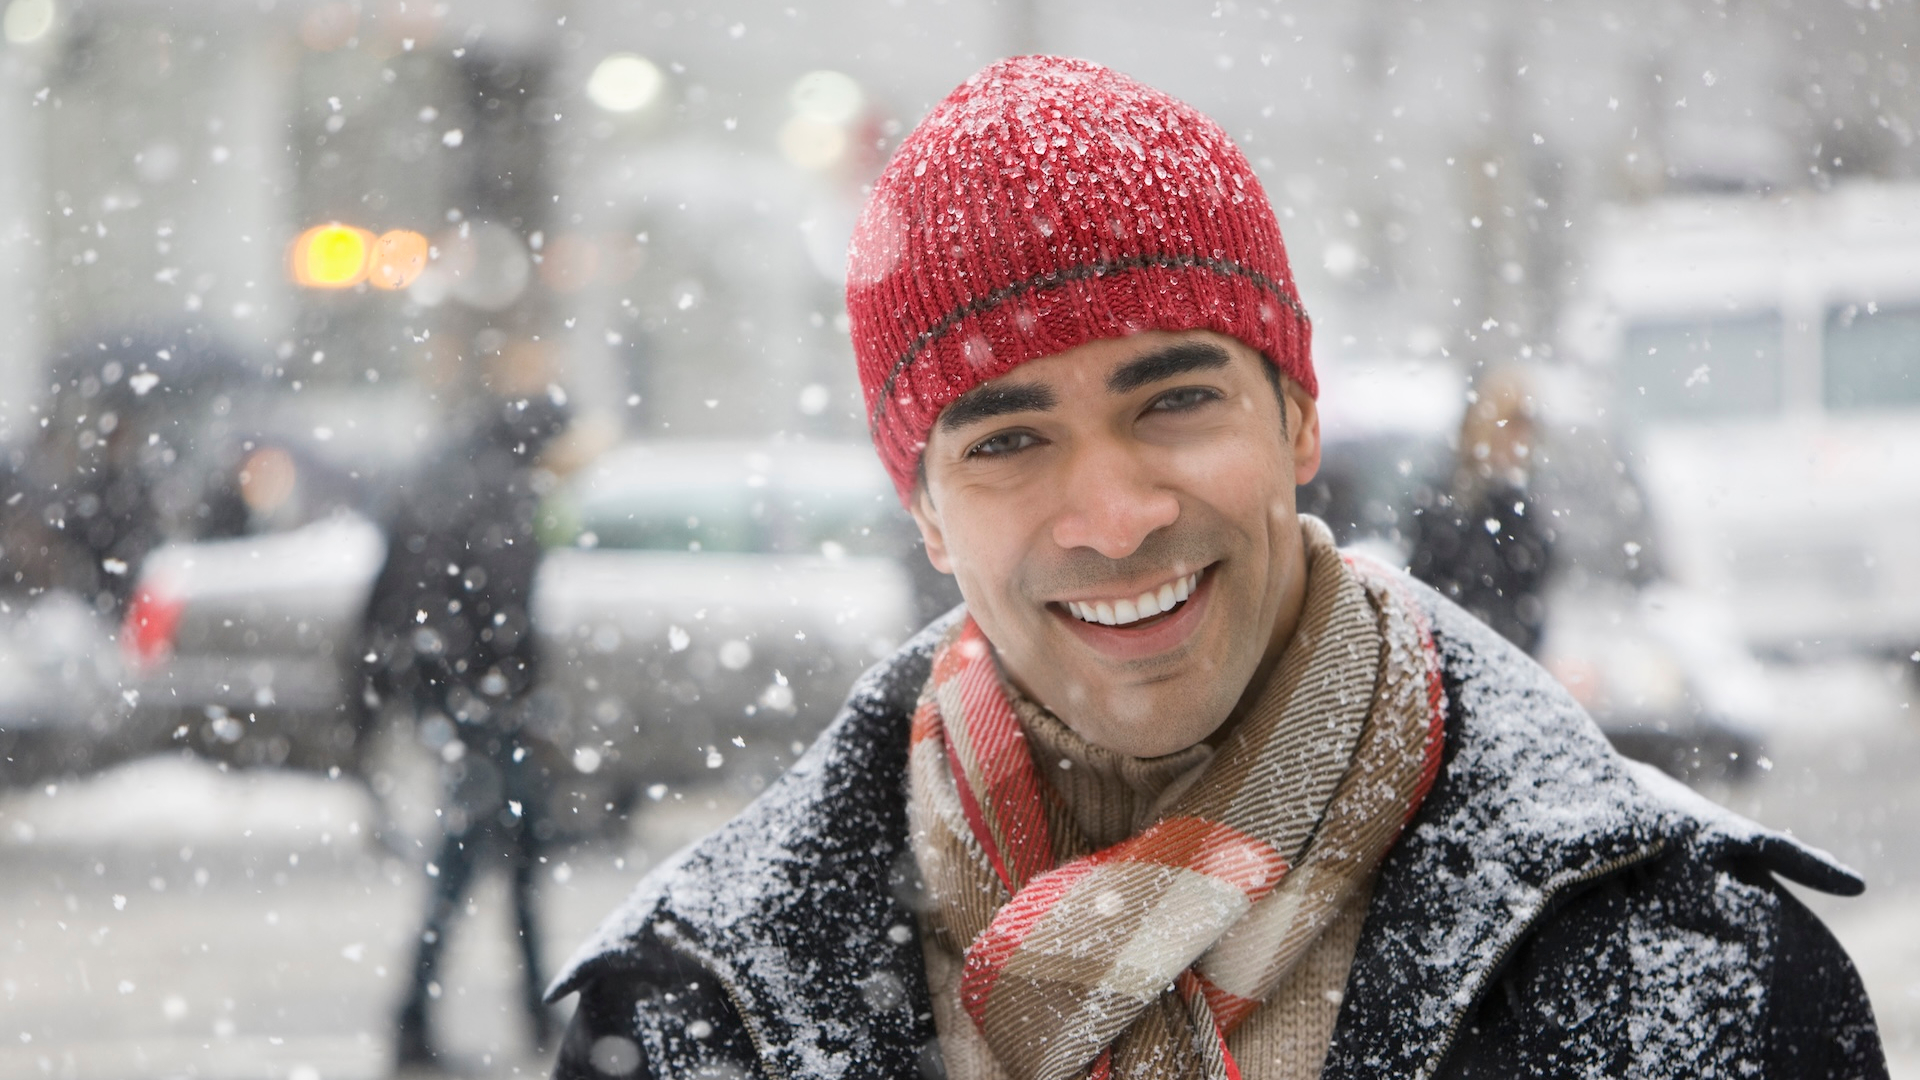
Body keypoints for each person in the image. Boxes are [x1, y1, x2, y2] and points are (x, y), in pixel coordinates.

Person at [547, 57, 1886, 1080]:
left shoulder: (1687, 968)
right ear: (929, 514)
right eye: (1010, 438)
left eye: (1173, 400)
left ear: (1299, 418)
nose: (1116, 515)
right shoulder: (692, 1015)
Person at [363, 375, 572, 1070]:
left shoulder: (438, 477)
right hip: (487, 705)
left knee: (505, 852)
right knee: (485, 860)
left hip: (446, 698)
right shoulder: (506, 492)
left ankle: (522, 1010)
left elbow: (388, 591)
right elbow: (509, 609)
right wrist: (519, 693)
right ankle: (422, 1016)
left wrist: (400, 687)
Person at [1408, 366, 1554, 655]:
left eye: (1526, 426)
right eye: (1513, 424)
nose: (1521, 439)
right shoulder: (1451, 506)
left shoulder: (1521, 504)